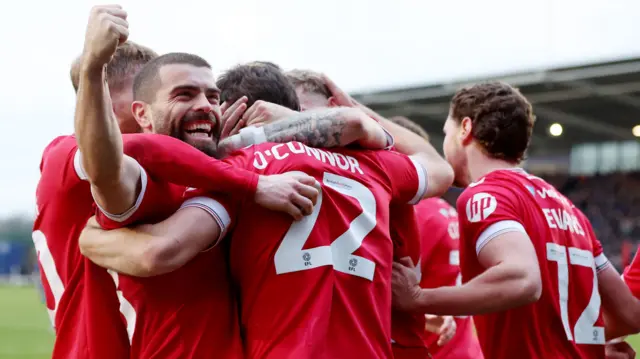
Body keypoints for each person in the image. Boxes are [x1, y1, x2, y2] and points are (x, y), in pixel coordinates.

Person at [76, 45, 410, 358]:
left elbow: (159, 251)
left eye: (213, 97)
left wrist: (91, 239)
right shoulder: (374, 165)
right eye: (185, 95)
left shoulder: (240, 170)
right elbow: (435, 168)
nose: (205, 107)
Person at [390, 81, 640, 359]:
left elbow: (521, 279)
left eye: (446, 133)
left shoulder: (485, 194)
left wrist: (417, 298)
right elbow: (631, 315)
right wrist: (583, 344)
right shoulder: (569, 208)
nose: (445, 144)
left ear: (465, 128)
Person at [387, 116, 483, 359]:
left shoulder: (412, 214)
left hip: (433, 347)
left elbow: (383, 285)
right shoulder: (450, 212)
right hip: (463, 348)